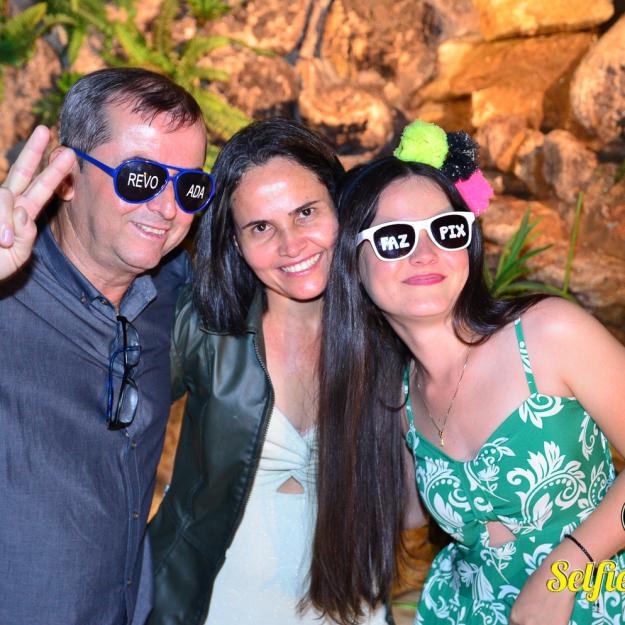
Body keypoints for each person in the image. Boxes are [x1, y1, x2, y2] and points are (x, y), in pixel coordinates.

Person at [308, 119, 625, 625]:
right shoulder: (399, 398)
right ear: (352, 260)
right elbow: (395, 514)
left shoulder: (547, 335)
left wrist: (568, 566)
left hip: (595, 598)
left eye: (445, 229)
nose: (426, 253)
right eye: (394, 238)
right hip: (463, 609)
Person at [147, 118, 390, 625]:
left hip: (354, 608)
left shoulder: (389, 328)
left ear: (340, 207)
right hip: (213, 607)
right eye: (261, 227)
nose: (291, 245)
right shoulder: (204, 325)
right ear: (235, 241)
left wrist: (559, 569)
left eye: (306, 212)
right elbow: (96, 425)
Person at [0, 67, 211, 625]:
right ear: (67, 178)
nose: (167, 208)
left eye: (189, 187)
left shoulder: (174, 295)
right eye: (141, 178)